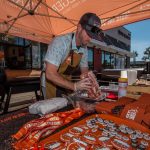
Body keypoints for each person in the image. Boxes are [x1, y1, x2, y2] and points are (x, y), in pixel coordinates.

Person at [44, 12, 102, 99]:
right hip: (51, 83)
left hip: (67, 82)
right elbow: (50, 74)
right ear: (79, 28)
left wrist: (92, 82)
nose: (90, 39)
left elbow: (84, 73)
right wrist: (74, 86)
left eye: (92, 36)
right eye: (89, 34)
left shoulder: (84, 48)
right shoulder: (60, 42)